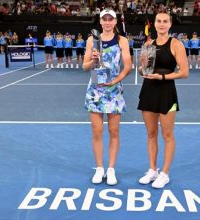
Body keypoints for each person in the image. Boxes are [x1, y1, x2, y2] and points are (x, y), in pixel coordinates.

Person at [137, 12, 189, 188]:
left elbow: (184, 72)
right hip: (148, 91)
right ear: (155, 24)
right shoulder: (148, 44)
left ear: (170, 24)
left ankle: (165, 173)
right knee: (151, 134)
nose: (161, 24)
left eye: (165, 21)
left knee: (167, 135)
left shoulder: (176, 44)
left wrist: (163, 77)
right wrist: (141, 65)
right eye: (159, 21)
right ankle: (153, 170)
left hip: (166, 92)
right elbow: (142, 71)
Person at [82, 8, 132, 185]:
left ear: (115, 22)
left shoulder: (122, 41)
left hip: (113, 90)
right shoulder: (92, 40)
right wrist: (94, 60)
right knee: (97, 131)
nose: (108, 22)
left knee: (114, 131)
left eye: (111, 19)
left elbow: (128, 65)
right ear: (101, 21)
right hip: (95, 90)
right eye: (105, 19)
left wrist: (115, 81)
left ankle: (111, 169)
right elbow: (85, 67)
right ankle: (99, 168)